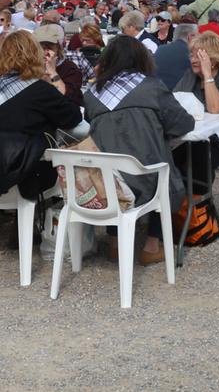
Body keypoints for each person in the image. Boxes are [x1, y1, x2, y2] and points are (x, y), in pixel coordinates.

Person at [82, 35, 195, 266]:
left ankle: (114, 244)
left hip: (106, 182)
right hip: (145, 179)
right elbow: (182, 124)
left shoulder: (92, 94)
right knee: (162, 164)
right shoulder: (152, 86)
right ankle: (152, 244)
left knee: (114, 158)